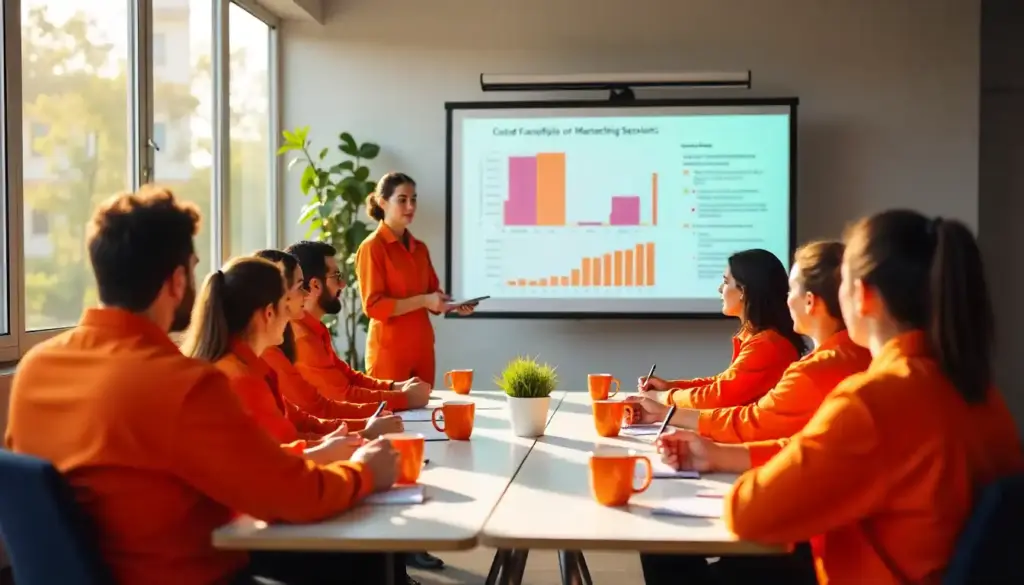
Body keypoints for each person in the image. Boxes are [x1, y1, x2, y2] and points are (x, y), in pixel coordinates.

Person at [4, 186, 404, 585]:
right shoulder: (183, 384)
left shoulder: (34, 370)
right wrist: (364, 472)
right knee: (361, 560)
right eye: (193, 267)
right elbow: (291, 495)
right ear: (177, 280)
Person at [660, 210, 1024, 584]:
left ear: (862, 296)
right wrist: (719, 453)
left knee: (665, 553)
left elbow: (749, 512)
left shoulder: (874, 401)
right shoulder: (983, 396)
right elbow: (828, 452)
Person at [628, 241, 871, 442]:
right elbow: (727, 386)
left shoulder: (779, 351)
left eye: (792, 291)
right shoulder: (853, 355)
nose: (787, 301)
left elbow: (736, 406)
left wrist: (665, 404)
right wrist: (671, 389)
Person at [180, 256, 362, 456]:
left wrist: (342, 439)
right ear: (268, 313)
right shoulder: (241, 378)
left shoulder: (248, 366)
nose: (288, 318)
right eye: (285, 303)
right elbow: (282, 460)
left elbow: (296, 429)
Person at [254, 248, 404, 440]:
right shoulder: (284, 347)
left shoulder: (304, 335)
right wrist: (371, 425)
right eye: (300, 286)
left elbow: (303, 421)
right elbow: (315, 415)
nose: (306, 294)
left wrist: (388, 400)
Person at [639, 248, 806, 408]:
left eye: (726, 282)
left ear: (743, 292)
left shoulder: (767, 345)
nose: (720, 289)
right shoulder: (760, 338)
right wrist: (669, 387)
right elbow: (724, 383)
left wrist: (661, 398)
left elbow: (717, 396)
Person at [355, 172, 474, 388]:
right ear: (383, 202)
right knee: (393, 416)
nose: (410, 206)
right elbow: (374, 307)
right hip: (389, 354)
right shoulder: (372, 248)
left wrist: (453, 305)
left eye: (414, 199)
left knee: (424, 415)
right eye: (402, 200)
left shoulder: (420, 248)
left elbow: (433, 295)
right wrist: (424, 301)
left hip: (422, 351)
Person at [286, 239, 431, 411]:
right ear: (315, 285)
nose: (343, 284)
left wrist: (394, 387)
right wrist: (405, 398)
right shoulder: (301, 338)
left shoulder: (312, 328)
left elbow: (349, 377)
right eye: (337, 276)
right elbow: (343, 397)